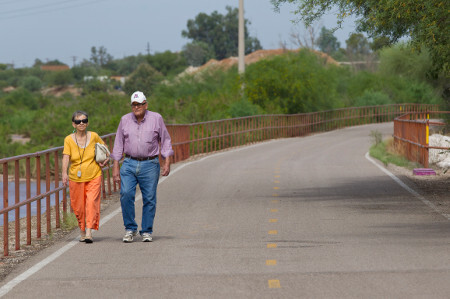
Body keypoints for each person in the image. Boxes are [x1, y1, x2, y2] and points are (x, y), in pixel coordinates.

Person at [111, 91, 173, 243]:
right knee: (125, 194)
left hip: (150, 164)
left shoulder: (156, 118)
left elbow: (165, 140)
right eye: (134, 104)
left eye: (139, 104)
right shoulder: (124, 120)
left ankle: (146, 230)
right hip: (129, 163)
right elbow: (118, 143)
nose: (136, 107)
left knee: (149, 198)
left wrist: (167, 161)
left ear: (146, 104)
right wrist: (115, 165)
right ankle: (130, 229)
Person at [62, 111, 110, 243]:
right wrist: (64, 173)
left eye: (84, 120)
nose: (81, 123)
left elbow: (105, 148)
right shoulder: (68, 139)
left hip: (94, 174)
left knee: (91, 203)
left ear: (87, 123)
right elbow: (66, 156)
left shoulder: (94, 136)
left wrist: (105, 159)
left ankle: (89, 232)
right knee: (78, 206)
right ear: (74, 124)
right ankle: (82, 230)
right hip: (75, 177)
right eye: (78, 121)